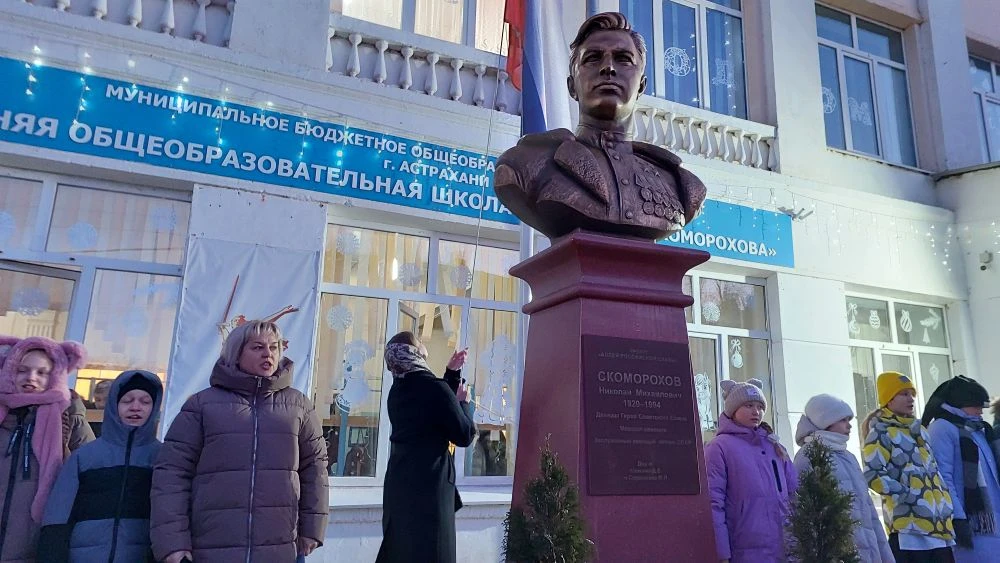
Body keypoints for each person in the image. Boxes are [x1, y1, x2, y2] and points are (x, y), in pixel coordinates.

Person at [494, 11, 707, 241]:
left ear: (641, 86)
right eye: (593, 58)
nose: (608, 68)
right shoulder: (526, 164)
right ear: (572, 86)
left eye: (623, 58)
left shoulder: (681, 185)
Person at [150, 320, 328, 563]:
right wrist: (173, 542)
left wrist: (312, 528)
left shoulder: (299, 406)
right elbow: (172, 473)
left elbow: (315, 469)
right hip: (212, 546)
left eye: (274, 347)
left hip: (279, 546)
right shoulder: (201, 406)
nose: (268, 354)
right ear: (236, 353)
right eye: (257, 347)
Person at [38, 370, 163, 562]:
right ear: (114, 405)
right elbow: (58, 513)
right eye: (127, 400)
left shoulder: (163, 458)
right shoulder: (84, 457)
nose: (135, 407)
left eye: (145, 402)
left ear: (155, 408)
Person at [376, 332, 476, 563]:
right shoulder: (434, 389)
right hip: (430, 488)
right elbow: (463, 434)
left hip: (400, 487)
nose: (423, 344)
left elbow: (434, 410)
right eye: (419, 342)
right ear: (414, 352)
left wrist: (451, 374)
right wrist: (464, 404)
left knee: (404, 550)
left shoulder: (397, 392)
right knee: (433, 551)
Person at [0, 335, 90, 562]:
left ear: (56, 375)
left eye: (42, 372)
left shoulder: (67, 416)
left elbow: (91, 468)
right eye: (22, 370)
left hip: (34, 543)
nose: (31, 377)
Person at [862, 371, 955, 562]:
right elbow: (873, 475)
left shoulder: (920, 430)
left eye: (912, 394)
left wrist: (945, 501)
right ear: (888, 399)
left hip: (939, 527)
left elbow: (933, 471)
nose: (910, 398)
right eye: (904, 394)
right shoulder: (881, 432)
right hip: (909, 530)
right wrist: (908, 494)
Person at [794, 394, 894, 563]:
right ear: (826, 421)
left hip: (869, 554)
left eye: (849, 420)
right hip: (836, 554)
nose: (849, 425)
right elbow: (804, 514)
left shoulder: (849, 456)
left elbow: (870, 512)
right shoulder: (808, 456)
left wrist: (886, 557)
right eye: (843, 420)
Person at [705, 378, 797, 563]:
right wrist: (721, 553)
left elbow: (795, 492)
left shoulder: (775, 446)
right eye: (748, 405)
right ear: (732, 409)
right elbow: (713, 503)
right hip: (745, 550)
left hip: (785, 549)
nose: (756, 411)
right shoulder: (719, 447)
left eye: (760, 407)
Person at [923, 376, 1000, 563]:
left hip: (992, 518)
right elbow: (943, 478)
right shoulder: (942, 429)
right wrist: (958, 517)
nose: (981, 411)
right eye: (976, 406)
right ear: (960, 403)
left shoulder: (978, 429)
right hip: (971, 521)